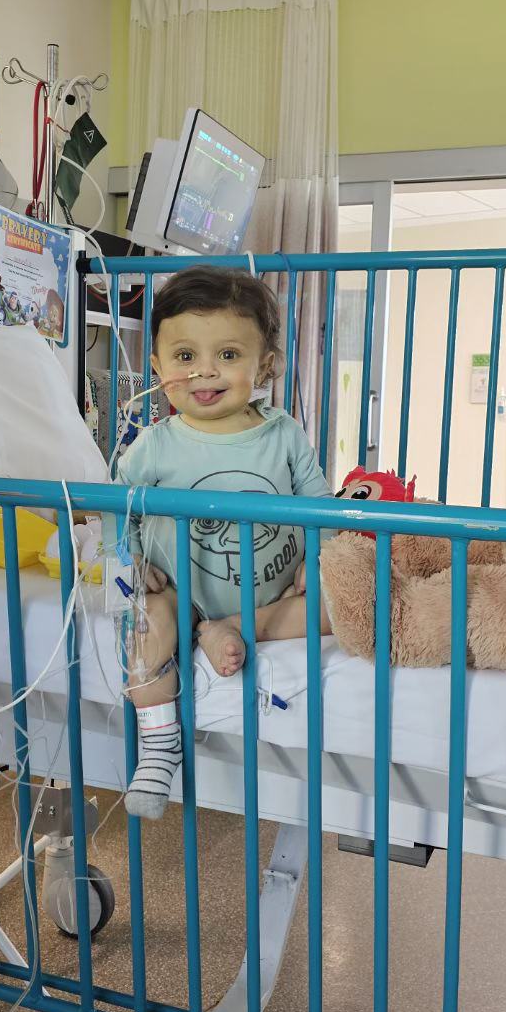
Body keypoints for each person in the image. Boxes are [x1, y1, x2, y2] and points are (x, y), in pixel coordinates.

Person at [116, 266, 331, 819]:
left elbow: (319, 505)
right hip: (184, 593)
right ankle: (158, 741)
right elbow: (117, 512)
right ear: (158, 367)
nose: (205, 371)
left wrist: (319, 554)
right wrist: (133, 557)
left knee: (342, 608)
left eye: (229, 355)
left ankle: (231, 629)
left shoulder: (283, 434)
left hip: (274, 598)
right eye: (185, 356)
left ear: (264, 365)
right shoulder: (155, 446)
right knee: (148, 620)